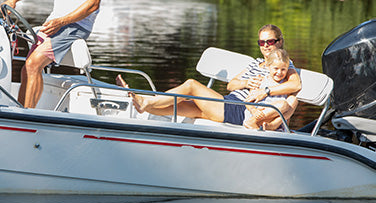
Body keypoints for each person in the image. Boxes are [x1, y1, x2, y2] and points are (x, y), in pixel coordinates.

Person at [116, 24, 301, 129]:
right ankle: (143, 107)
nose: (266, 46)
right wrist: (246, 82)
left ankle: (145, 101)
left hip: (238, 110)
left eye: (270, 41)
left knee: (191, 85)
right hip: (229, 101)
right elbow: (231, 85)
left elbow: (295, 86)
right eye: (262, 42)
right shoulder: (255, 62)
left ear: (280, 42)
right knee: (180, 107)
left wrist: (265, 91)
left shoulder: (283, 66)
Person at [243, 48, 298, 130]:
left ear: (287, 68)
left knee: (294, 100)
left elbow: (289, 110)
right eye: (276, 68)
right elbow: (248, 101)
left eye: (283, 69)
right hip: (258, 115)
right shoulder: (260, 80)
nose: (279, 72)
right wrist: (253, 110)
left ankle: (273, 125)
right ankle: (252, 122)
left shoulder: (285, 84)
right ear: (268, 66)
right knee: (283, 104)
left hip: (274, 118)